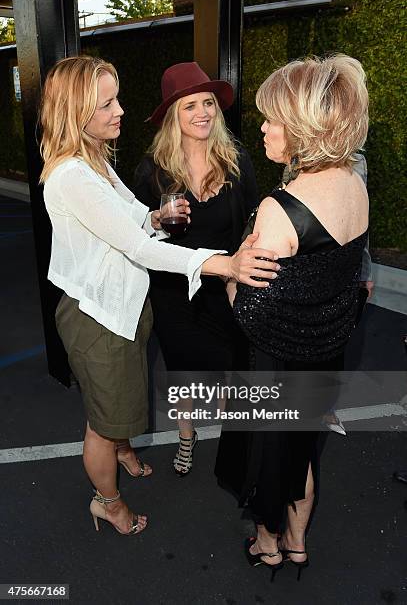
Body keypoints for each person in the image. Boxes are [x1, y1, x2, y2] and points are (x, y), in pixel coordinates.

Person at [39, 55, 280, 536]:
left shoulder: (98, 163)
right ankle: (107, 503)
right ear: (75, 111)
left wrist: (155, 217)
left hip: (125, 307)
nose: (120, 110)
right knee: (103, 421)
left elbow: (135, 219)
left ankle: (122, 450)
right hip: (98, 315)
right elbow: (137, 248)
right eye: (107, 103)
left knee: (121, 403)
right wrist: (223, 264)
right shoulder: (72, 175)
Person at [215, 54, 369, 579]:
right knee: (302, 450)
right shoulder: (354, 184)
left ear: (302, 128)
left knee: (266, 457)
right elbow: (341, 277)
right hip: (325, 353)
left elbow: (249, 314)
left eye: (273, 118)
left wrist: (232, 274)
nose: (262, 127)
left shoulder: (280, 207)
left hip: (275, 363)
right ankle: (299, 542)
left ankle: (269, 545)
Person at [134, 62, 260, 475]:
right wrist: (153, 218)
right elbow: (135, 233)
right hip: (176, 294)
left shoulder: (236, 160)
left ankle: (235, 442)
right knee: (184, 372)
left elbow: (252, 223)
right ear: (174, 115)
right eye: (190, 105)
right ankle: (186, 435)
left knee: (232, 368)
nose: (203, 112)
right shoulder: (152, 170)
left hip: (226, 287)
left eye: (208, 103)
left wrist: (236, 274)